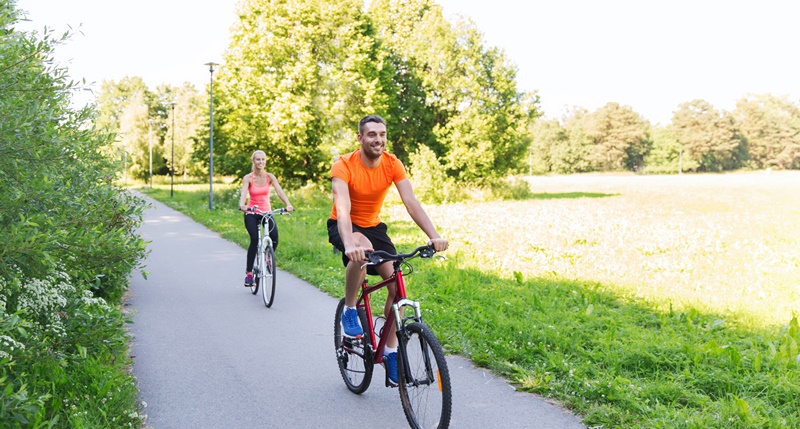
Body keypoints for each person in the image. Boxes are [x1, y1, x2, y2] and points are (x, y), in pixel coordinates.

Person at [327, 115, 448, 385]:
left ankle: (391, 350)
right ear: (360, 138)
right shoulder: (344, 165)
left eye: (381, 134)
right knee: (362, 249)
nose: (378, 139)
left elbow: (411, 201)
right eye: (371, 134)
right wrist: (349, 243)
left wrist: (434, 236)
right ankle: (349, 309)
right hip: (343, 224)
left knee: (396, 284)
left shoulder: (393, 164)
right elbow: (343, 208)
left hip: (374, 227)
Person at [239, 150, 294, 287]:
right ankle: (249, 274)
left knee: (274, 238)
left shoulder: (270, 177)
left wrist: (288, 204)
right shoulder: (248, 178)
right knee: (254, 240)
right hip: (252, 212)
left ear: (265, 161)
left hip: (266, 212)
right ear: (253, 161)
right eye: (258, 159)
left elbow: (279, 191)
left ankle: (268, 257)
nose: (260, 162)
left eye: (263, 159)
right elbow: (244, 193)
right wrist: (242, 205)